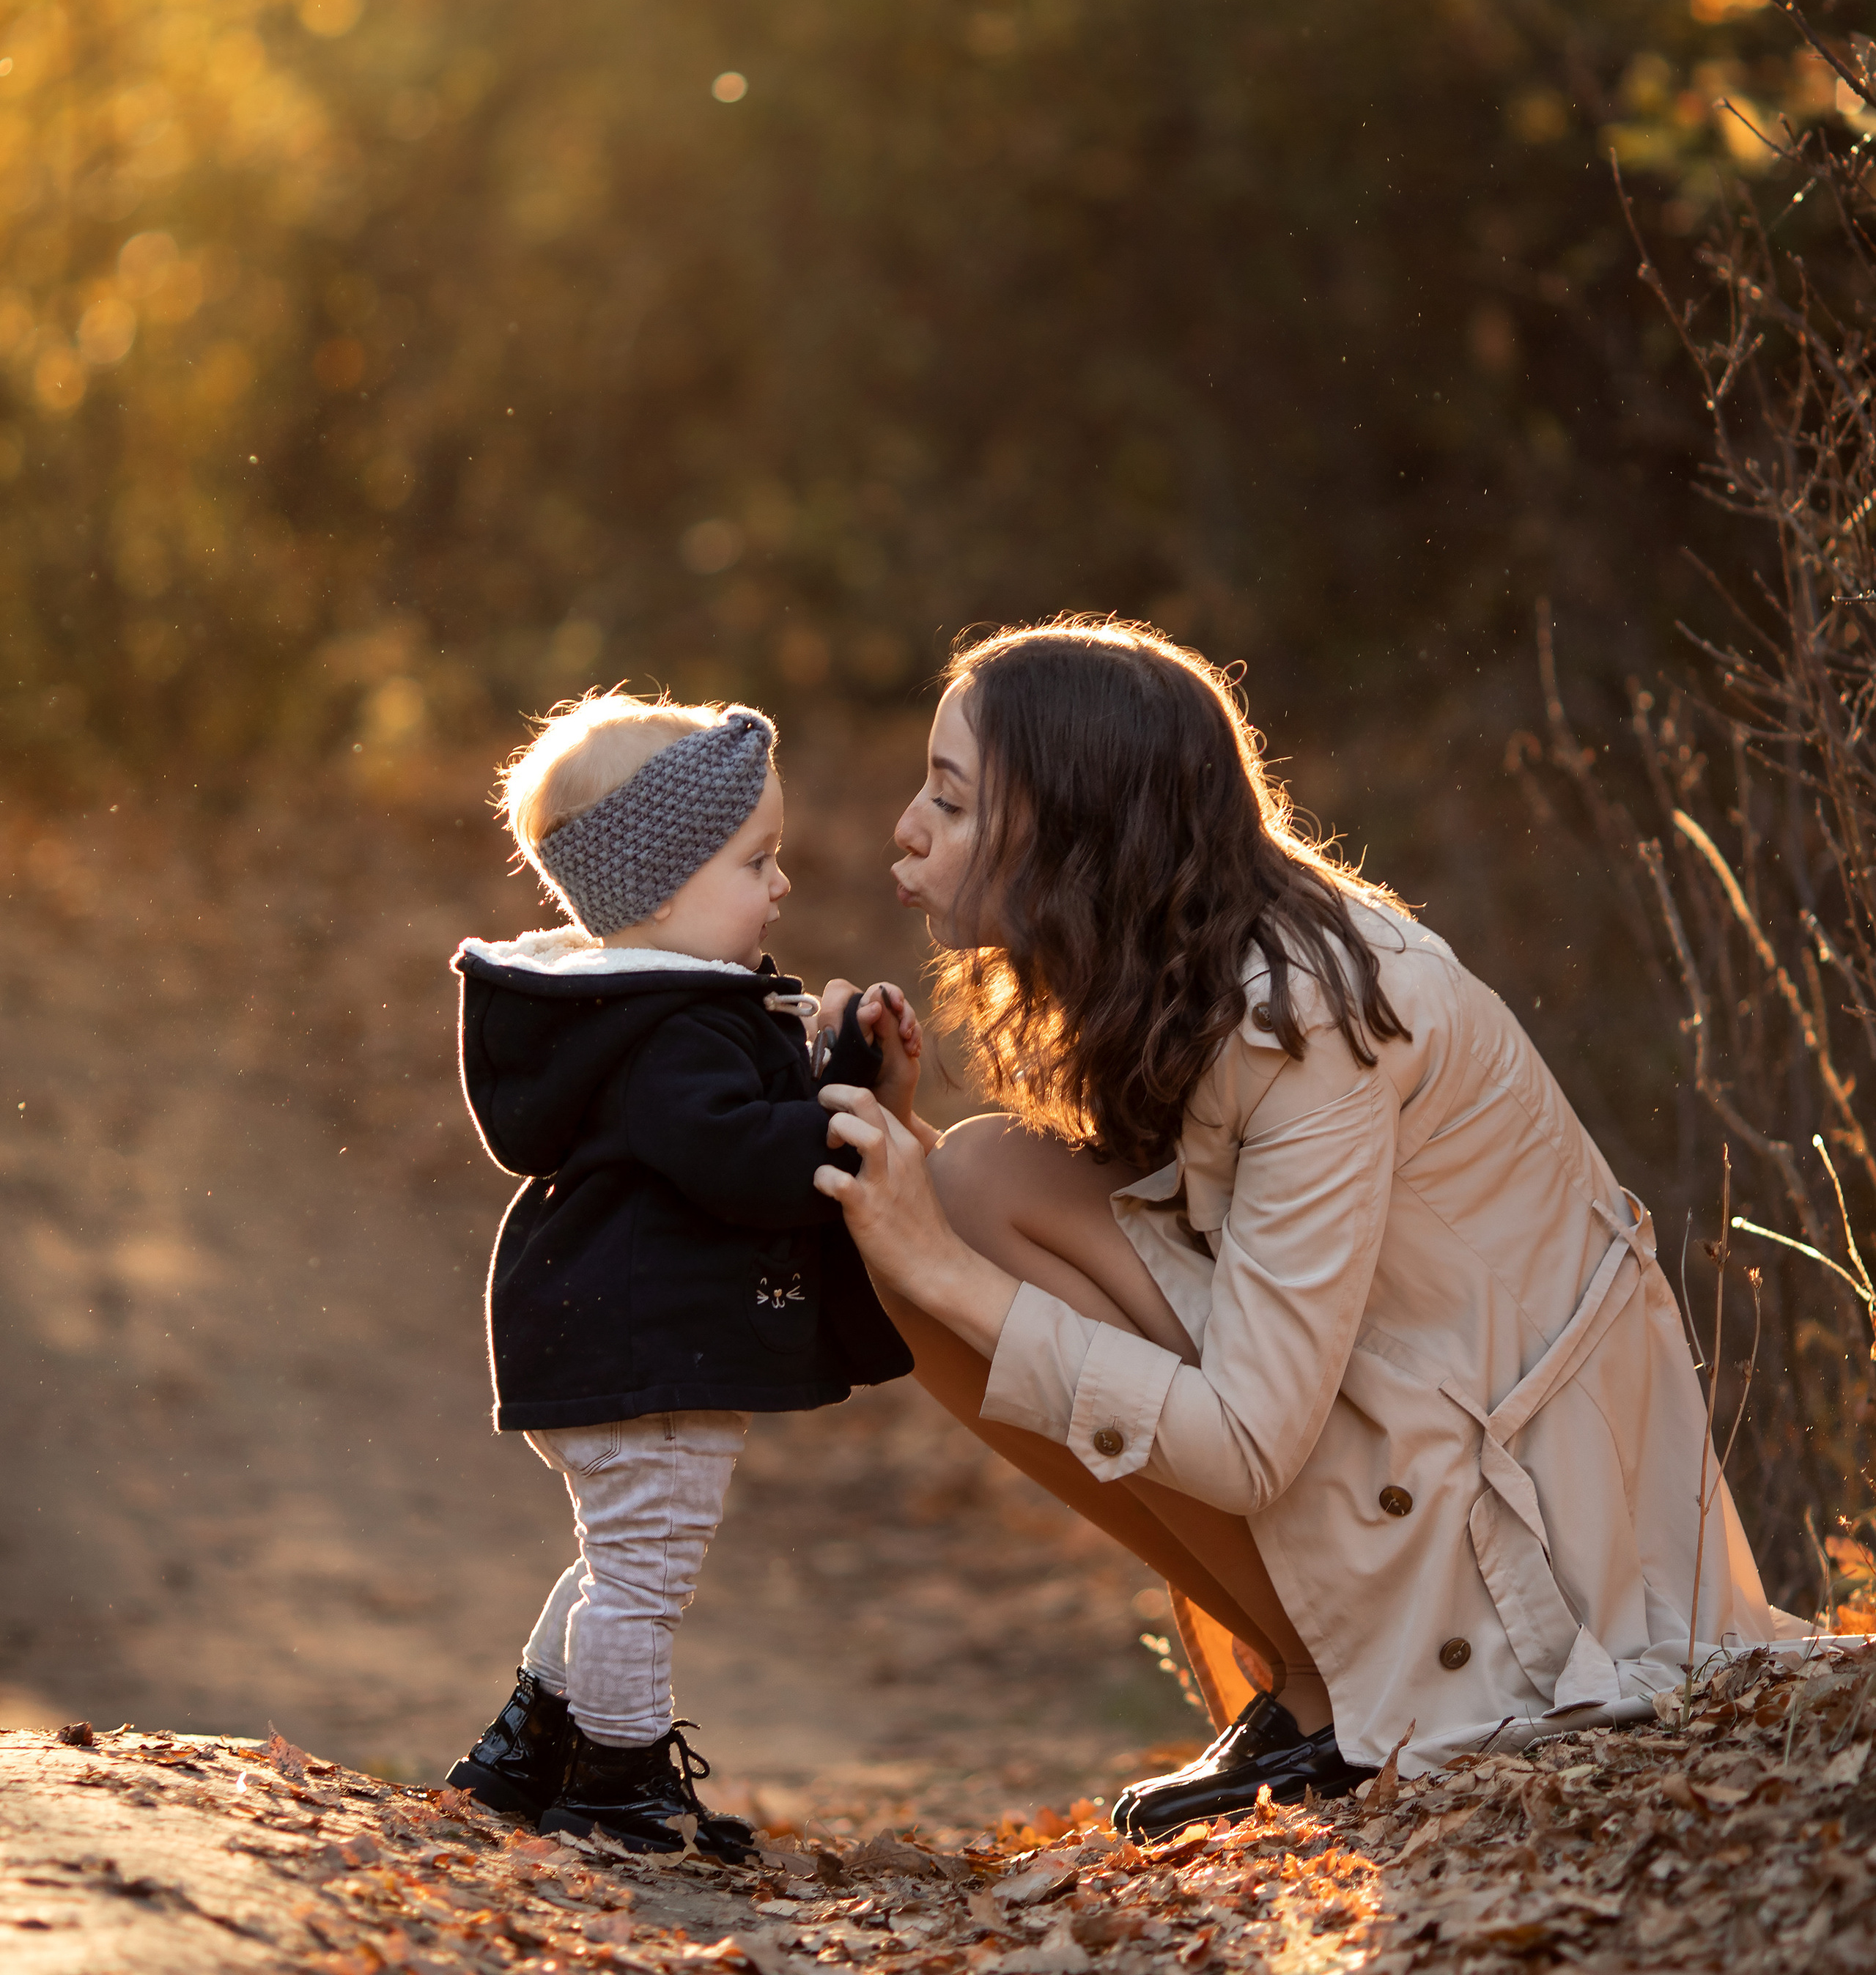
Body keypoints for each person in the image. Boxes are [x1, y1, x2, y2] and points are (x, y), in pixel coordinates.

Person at [810, 619, 1808, 1837]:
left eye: (951, 802)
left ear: (1075, 833)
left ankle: (1338, 1697)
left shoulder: (1315, 1024)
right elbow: (1169, 1239)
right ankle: (1307, 1680)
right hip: (1402, 1428)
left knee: (951, 1235)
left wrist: (944, 1269)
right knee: (967, 1188)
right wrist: (908, 1178)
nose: (909, 828)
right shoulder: (1200, 956)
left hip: (1518, 1559)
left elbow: (1248, 1438)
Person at [443, 691, 921, 1857]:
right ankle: (617, 1781)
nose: (782, 884)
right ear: (659, 886)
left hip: (617, 1338)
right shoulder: (670, 1028)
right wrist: (842, 1120)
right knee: (643, 1581)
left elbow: (739, 1118)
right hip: (643, 1350)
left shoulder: (648, 1011)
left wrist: (840, 1064)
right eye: (757, 860)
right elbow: (743, 1160)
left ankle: (528, 1749)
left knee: (617, 1563)